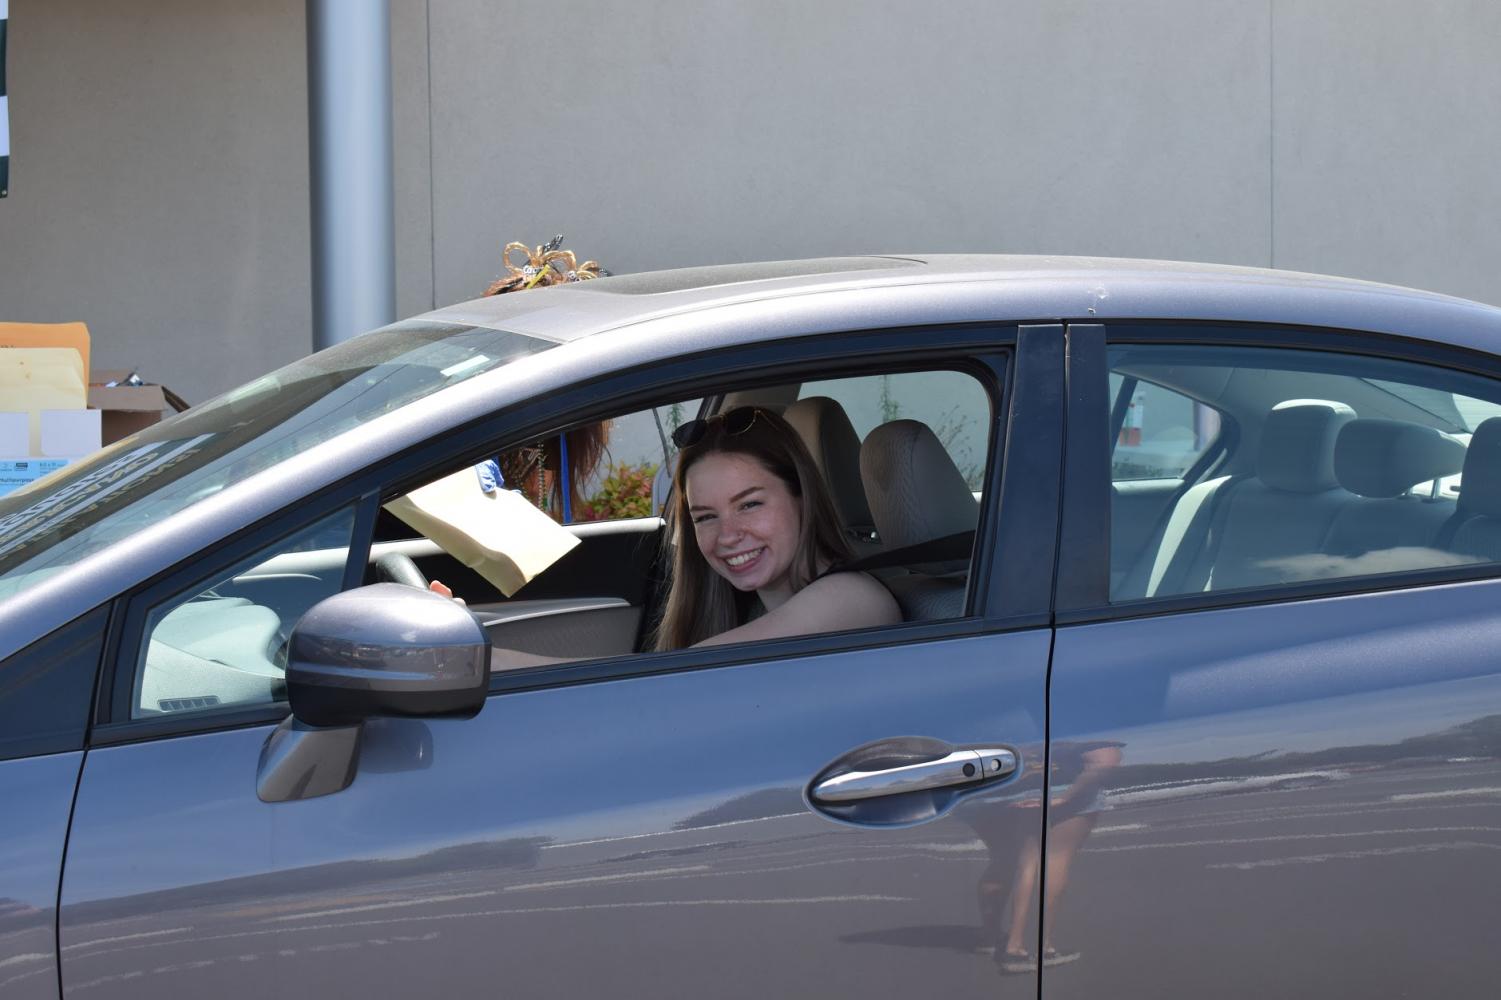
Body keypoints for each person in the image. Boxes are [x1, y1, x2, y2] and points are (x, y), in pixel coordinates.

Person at [652, 406, 900, 650]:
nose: (727, 536)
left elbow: (685, 678)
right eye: (706, 517)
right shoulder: (745, 609)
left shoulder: (852, 598)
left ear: (802, 496)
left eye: (749, 504)